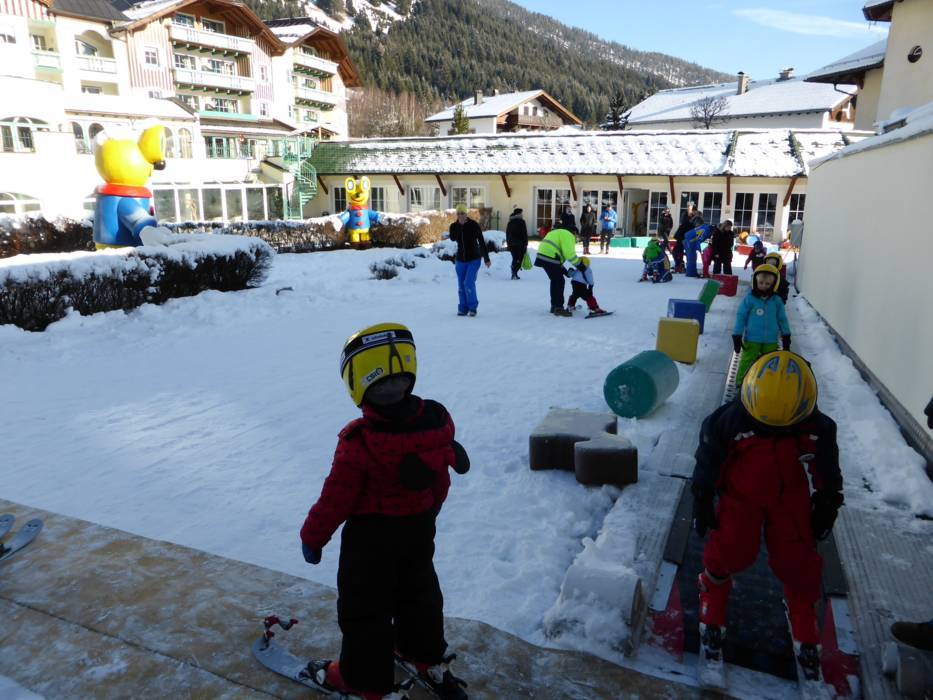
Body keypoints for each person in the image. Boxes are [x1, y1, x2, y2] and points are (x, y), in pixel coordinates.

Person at [298, 323, 470, 700]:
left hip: (370, 542)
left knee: (365, 609)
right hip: (419, 531)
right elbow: (438, 480)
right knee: (419, 594)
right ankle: (423, 656)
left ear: (357, 383)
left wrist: (313, 536)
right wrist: (429, 511)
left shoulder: (360, 441)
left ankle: (362, 680)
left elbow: (336, 498)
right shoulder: (434, 422)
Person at [691, 350, 843, 685]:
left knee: (797, 556)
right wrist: (702, 496)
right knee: (731, 547)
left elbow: (826, 465)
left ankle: (802, 609)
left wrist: (827, 500)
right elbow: (709, 457)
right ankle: (712, 592)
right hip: (741, 492)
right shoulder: (730, 420)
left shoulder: (816, 427)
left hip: (789, 496)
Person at [732, 263, 791, 384]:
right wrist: (737, 335)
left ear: (774, 284)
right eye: (761, 283)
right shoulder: (749, 299)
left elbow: (782, 319)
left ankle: (766, 384)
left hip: (771, 340)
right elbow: (741, 316)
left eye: (767, 284)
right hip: (752, 339)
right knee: (747, 361)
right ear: (755, 282)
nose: (764, 286)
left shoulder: (777, 301)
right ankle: (741, 383)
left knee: (769, 363)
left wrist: (786, 335)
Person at [448, 203, 491, 317]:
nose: (460, 215)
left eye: (462, 213)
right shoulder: (454, 226)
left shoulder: (473, 225)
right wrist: (459, 226)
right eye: (458, 213)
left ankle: (472, 307)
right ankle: (462, 308)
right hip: (460, 260)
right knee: (461, 285)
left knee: (468, 283)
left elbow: (481, 241)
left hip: (474, 259)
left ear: (466, 214)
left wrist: (486, 258)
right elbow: (452, 238)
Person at [534, 227, 585, 316]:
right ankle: (558, 308)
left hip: (543, 255)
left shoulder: (559, 233)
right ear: (574, 233)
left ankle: (554, 307)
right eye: (577, 236)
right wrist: (580, 265)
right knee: (559, 281)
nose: (577, 239)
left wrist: (564, 271)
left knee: (556, 280)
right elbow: (569, 254)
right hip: (550, 256)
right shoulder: (569, 236)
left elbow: (558, 256)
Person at [672, 202, 700, 273]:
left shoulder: (694, 217)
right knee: (677, 251)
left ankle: (684, 265)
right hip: (682, 235)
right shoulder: (686, 215)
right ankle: (679, 264)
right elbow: (685, 223)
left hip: (687, 236)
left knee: (688, 252)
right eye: (694, 211)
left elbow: (695, 225)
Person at [506, 207, 528, 280]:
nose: (522, 214)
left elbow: (507, 234)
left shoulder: (510, 222)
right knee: (520, 258)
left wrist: (508, 243)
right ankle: (514, 272)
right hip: (520, 244)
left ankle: (514, 272)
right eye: (521, 213)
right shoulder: (521, 222)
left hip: (511, 244)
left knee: (515, 258)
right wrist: (526, 244)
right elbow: (524, 234)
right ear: (519, 214)